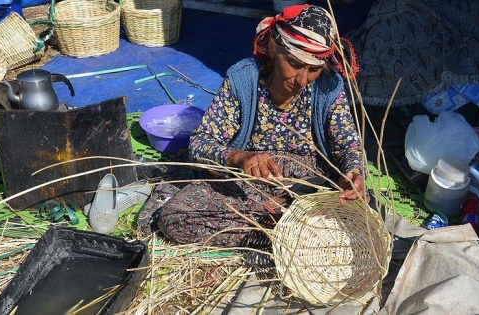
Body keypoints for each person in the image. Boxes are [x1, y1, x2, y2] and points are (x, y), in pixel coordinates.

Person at [155, 4, 368, 247]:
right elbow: (200, 143)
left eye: (313, 69)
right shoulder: (244, 80)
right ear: (275, 47)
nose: (302, 79)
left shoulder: (328, 87)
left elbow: (348, 145)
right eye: (295, 64)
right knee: (176, 218)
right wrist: (238, 157)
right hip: (249, 183)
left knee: (358, 217)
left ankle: (287, 231)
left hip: (309, 187)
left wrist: (353, 173)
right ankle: (285, 238)